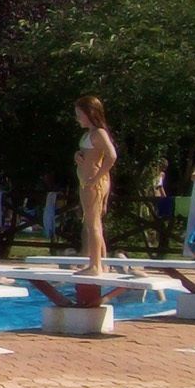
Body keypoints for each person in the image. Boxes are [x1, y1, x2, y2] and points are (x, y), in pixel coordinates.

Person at [74, 96, 118, 274]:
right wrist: (77, 155)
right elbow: (89, 153)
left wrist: (97, 177)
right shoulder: (89, 134)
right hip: (86, 179)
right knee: (93, 222)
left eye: (79, 114)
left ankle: (95, 265)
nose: (77, 118)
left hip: (93, 181)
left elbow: (112, 156)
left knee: (93, 224)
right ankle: (100, 263)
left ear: (89, 113)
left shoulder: (99, 133)